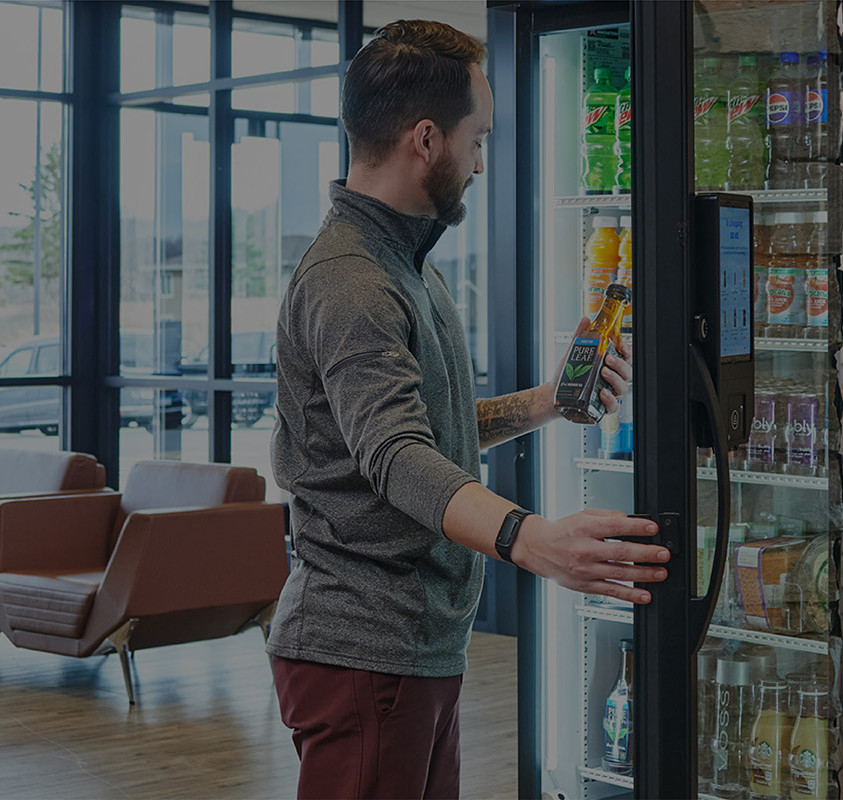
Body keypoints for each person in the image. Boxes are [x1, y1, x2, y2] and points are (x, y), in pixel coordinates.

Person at [267, 20, 669, 799]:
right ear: (426, 139)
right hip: (365, 650)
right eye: (475, 139)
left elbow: (426, 425)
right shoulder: (352, 280)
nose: (482, 163)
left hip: (411, 648)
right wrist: (531, 540)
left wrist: (548, 402)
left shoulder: (407, 265)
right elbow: (396, 457)